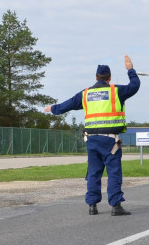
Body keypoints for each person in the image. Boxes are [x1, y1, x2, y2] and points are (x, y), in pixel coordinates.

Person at [45, 55, 140, 216]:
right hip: (110, 141)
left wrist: (53, 108)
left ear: (96, 77)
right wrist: (130, 69)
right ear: (109, 78)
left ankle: (92, 206)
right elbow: (135, 85)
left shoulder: (86, 94)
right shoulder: (115, 91)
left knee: (94, 172)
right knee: (114, 172)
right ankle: (116, 206)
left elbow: (68, 104)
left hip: (92, 140)